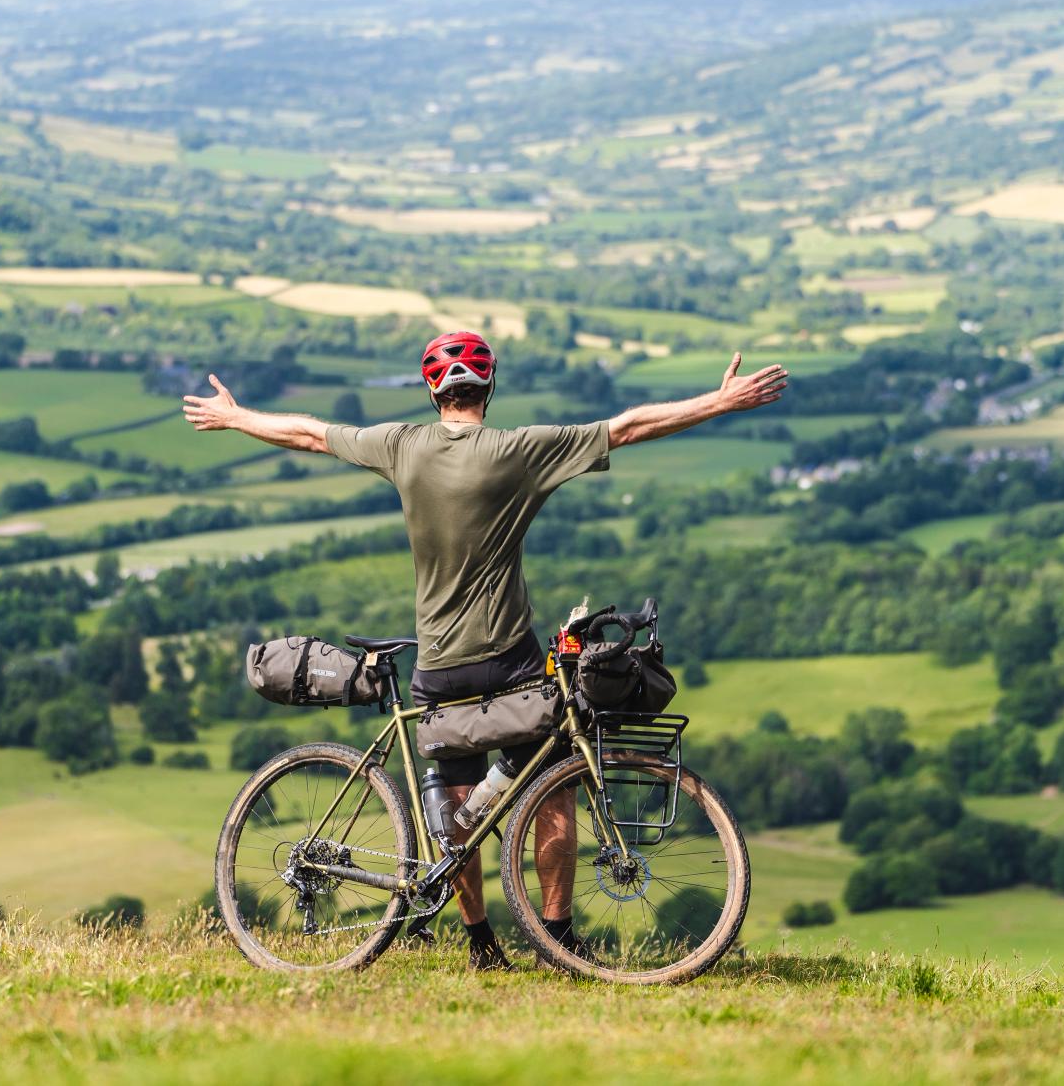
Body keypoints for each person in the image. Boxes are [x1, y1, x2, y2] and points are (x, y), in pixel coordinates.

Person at [183, 331, 788, 968]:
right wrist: (719, 403)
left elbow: (310, 433)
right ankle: (558, 933)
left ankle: (480, 943)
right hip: (509, 661)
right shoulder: (518, 451)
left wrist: (234, 416)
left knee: (453, 807)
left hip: (438, 666)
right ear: (489, 387)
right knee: (552, 788)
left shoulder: (401, 446)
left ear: (432, 391)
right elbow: (629, 427)